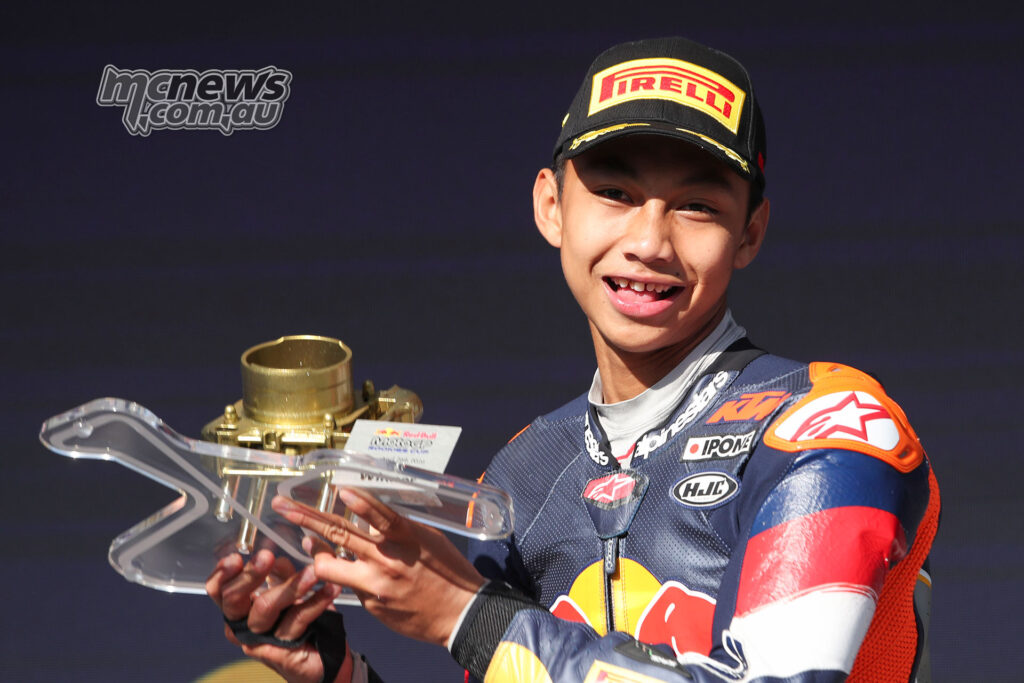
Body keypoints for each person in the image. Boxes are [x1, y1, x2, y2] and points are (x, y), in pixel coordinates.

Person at [208, 36, 939, 682]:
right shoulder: (522, 475)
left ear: (751, 232)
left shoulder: (827, 427)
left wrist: (468, 616)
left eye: (697, 206)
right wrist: (338, 674)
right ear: (551, 206)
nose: (650, 241)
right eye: (615, 193)